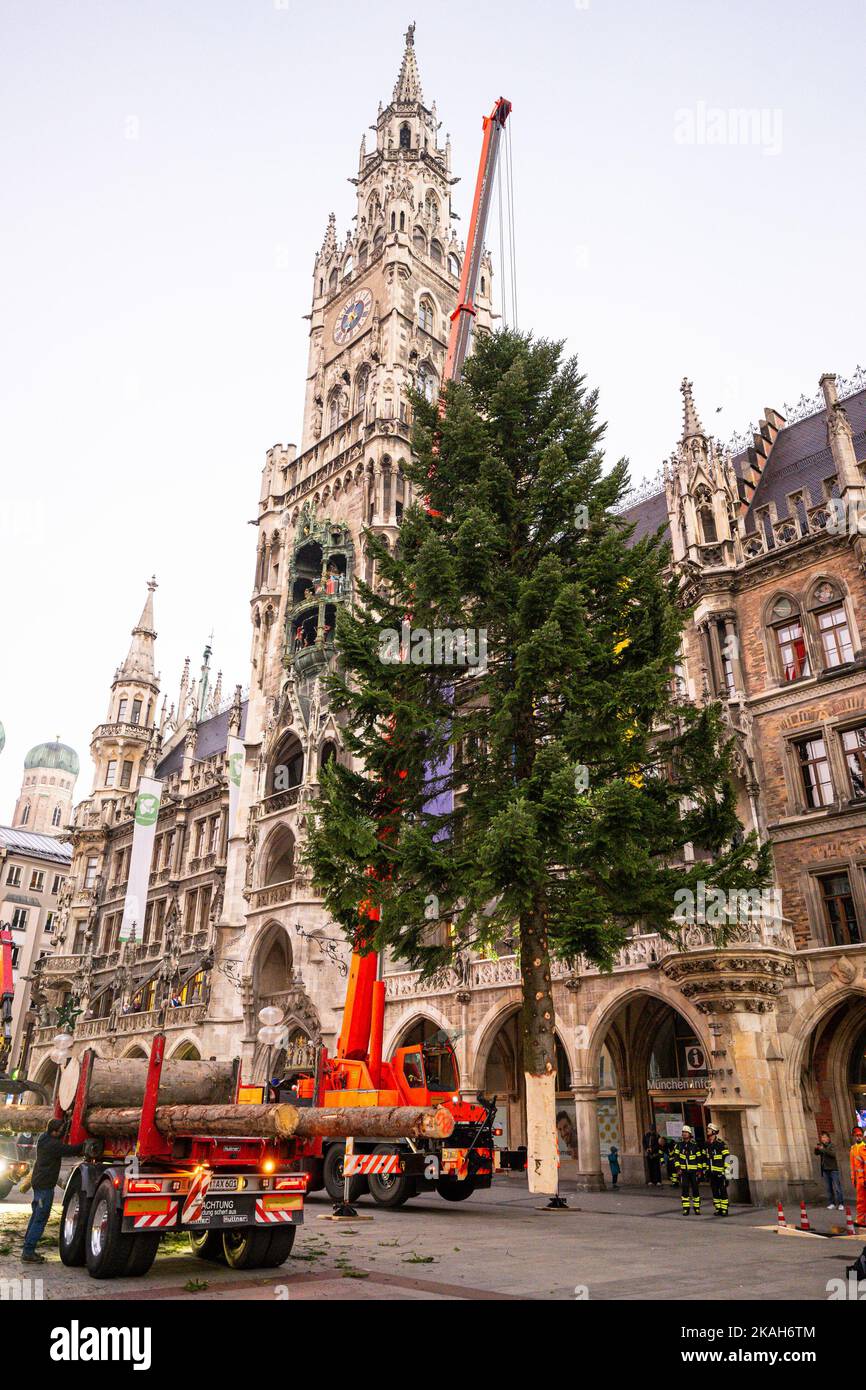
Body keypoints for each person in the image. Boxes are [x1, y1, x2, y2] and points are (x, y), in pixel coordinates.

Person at [21, 1119, 85, 1264]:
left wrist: (67, 1123)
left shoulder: (44, 1138)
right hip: (45, 1187)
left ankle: (27, 1246)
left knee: (36, 1215)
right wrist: (84, 1145)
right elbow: (71, 1150)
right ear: (55, 1132)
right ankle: (28, 1252)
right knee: (40, 1219)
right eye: (61, 1130)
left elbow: (59, 1140)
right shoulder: (53, 1146)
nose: (62, 1132)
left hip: (38, 1184)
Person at [671, 1125, 707, 1215]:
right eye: (683, 1132)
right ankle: (686, 1209)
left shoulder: (695, 1145)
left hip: (694, 1172)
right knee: (685, 1190)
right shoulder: (679, 1145)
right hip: (684, 1172)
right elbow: (676, 1158)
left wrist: (699, 1170)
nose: (684, 1134)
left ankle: (697, 1208)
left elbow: (699, 1159)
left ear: (690, 1134)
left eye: (686, 1132)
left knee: (695, 1190)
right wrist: (678, 1168)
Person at [814, 1131, 845, 1210]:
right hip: (825, 1170)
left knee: (837, 1187)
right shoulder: (822, 1146)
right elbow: (816, 1153)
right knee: (829, 1188)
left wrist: (823, 1149)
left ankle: (841, 1203)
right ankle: (832, 1203)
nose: (823, 1139)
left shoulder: (832, 1146)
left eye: (824, 1137)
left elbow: (833, 1154)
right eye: (822, 1137)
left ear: (828, 1138)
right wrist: (817, 1149)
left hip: (833, 1169)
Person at [706, 1124, 731, 1216]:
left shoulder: (721, 1144)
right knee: (715, 1191)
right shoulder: (707, 1144)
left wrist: (726, 1172)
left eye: (709, 1129)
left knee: (722, 1190)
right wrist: (706, 1170)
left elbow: (727, 1158)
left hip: (720, 1172)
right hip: (712, 1173)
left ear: (713, 1131)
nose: (707, 1130)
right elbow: (706, 1158)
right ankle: (718, 1208)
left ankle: (724, 1209)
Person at [850, 1125, 866, 1228]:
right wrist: (853, 1179)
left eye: (860, 1135)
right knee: (860, 1200)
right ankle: (861, 1220)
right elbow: (852, 1166)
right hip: (858, 1179)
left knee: (863, 1200)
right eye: (857, 1135)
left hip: (863, 1178)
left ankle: (862, 1220)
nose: (858, 1137)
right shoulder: (852, 1148)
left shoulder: (864, 1148)